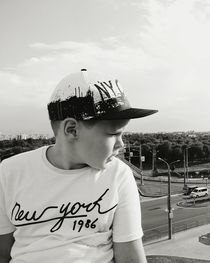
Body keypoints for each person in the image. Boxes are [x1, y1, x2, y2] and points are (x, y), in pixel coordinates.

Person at [0, 69, 158, 262]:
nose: (121, 144)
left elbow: (130, 256)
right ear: (72, 130)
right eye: (113, 134)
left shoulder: (118, 174)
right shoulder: (10, 172)